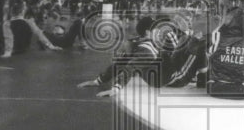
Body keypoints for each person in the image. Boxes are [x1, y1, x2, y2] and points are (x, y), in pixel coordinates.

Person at [78, 16, 207, 96]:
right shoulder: (148, 48)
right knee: (200, 45)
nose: (160, 30)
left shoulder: (137, 42)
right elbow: (131, 67)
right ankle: (203, 77)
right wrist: (116, 88)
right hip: (175, 79)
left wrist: (99, 80)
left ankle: (200, 72)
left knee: (186, 44)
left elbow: (121, 63)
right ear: (148, 32)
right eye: (157, 28)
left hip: (158, 76)